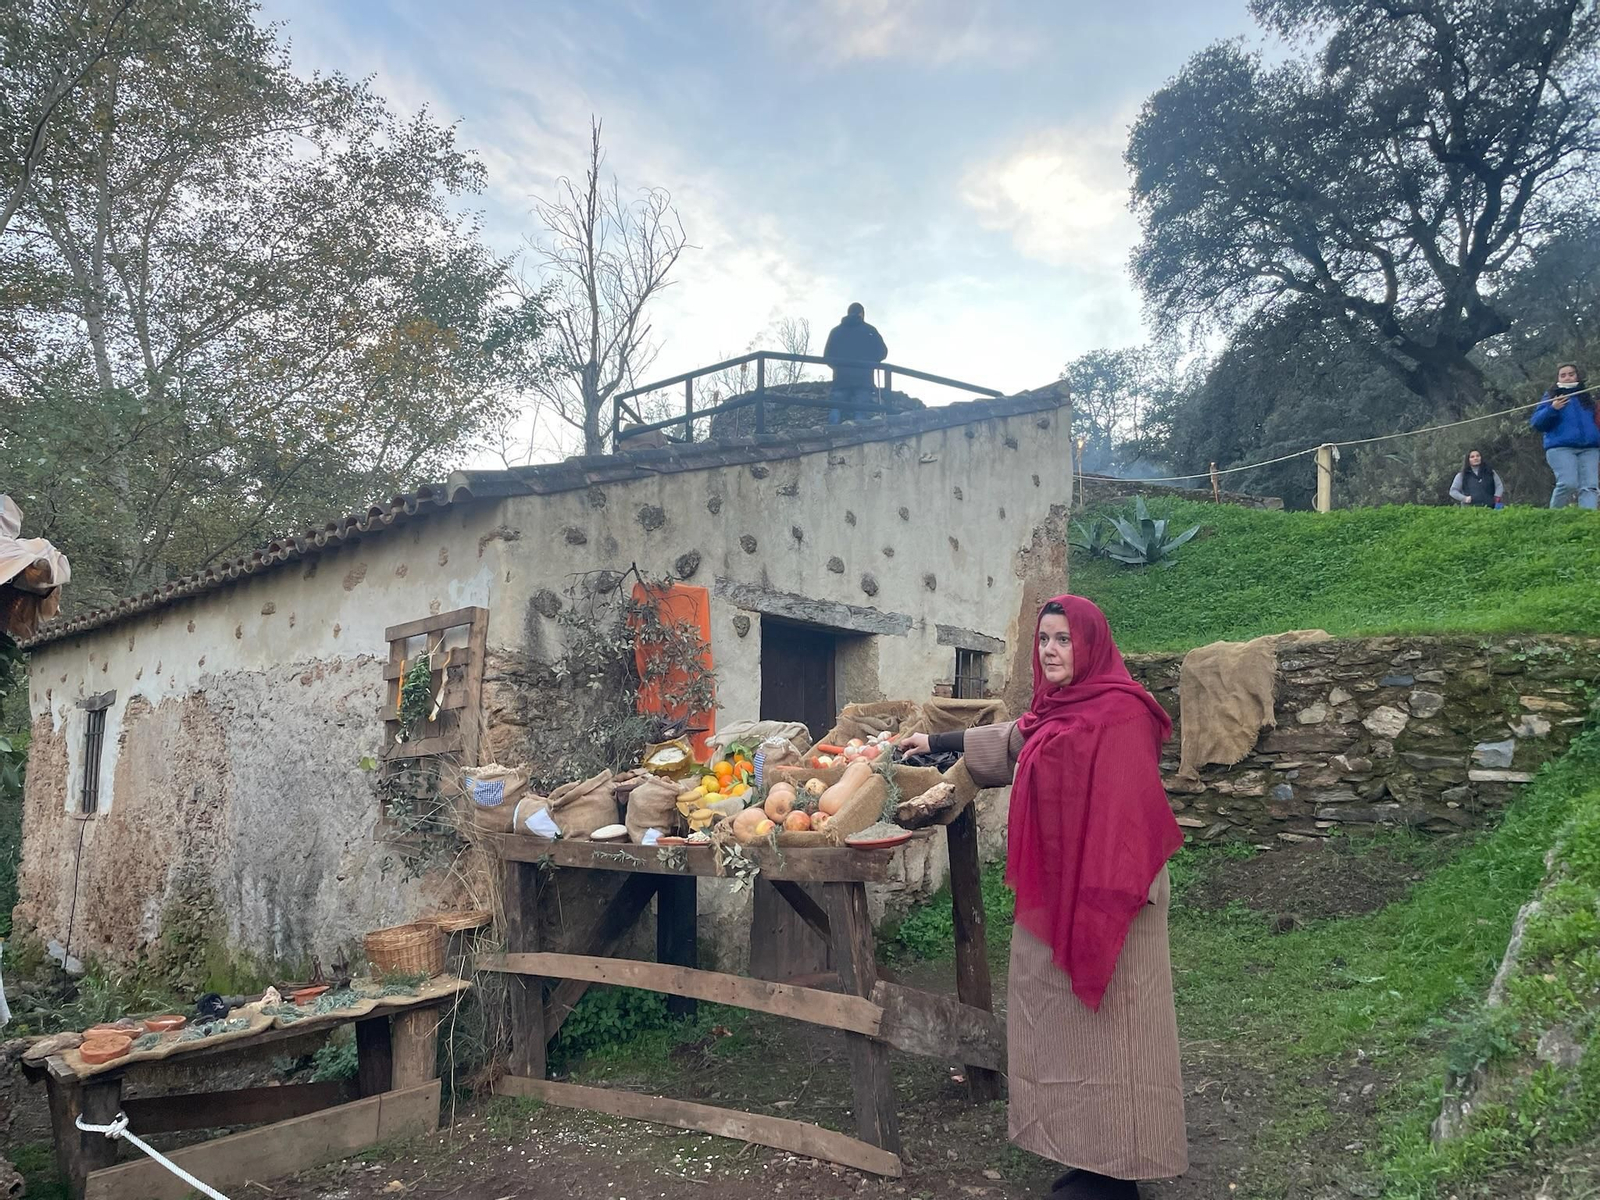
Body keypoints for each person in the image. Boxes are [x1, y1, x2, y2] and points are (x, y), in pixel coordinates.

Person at [899, 596, 1187, 1199]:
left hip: (1113, 893)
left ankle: (1119, 1172)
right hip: (1062, 888)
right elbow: (1016, 740)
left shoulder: (1120, 715)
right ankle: (1084, 1151)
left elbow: (1128, 815)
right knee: (1059, 1021)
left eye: (1063, 640)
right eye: (1044, 640)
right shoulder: (1058, 709)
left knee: (1117, 1027)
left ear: (1090, 645)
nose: (1051, 651)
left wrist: (1104, 901)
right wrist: (937, 739)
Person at [1528, 362, 1598, 510]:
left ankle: (1586, 520)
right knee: (1567, 483)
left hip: (1590, 448)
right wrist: (1553, 408)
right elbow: (1536, 423)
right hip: (1560, 447)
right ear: (1558, 378)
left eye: (1571, 374)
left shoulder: (1586, 396)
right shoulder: (1550, 396)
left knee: (1590, 486)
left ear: (1577, 376)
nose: (1567, 378)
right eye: (1563, 375)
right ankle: (1554, 516)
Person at [822, 302, 888, 425]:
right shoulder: (870, 330)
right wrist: (871, 363)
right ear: (861, 314)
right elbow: (882, 352)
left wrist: (838, 368)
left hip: (841, 378)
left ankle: (830, 436)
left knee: (835, 407)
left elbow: (827, 356)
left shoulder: (836, 332)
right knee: (860, 412)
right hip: (863, 379)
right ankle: (859, 439)